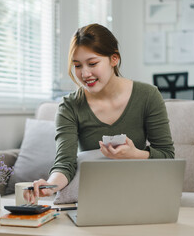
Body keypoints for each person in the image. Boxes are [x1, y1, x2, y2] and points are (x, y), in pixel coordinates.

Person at [24, 23, 174, 204]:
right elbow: (65, 164)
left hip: (139, 194)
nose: (85, 73)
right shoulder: (69, 106)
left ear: (114, 59)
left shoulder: (148, 96)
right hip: (92, 198)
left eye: (93, 63)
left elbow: (167, 155)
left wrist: (135, 154)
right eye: (77, 65)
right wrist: (49, 187)